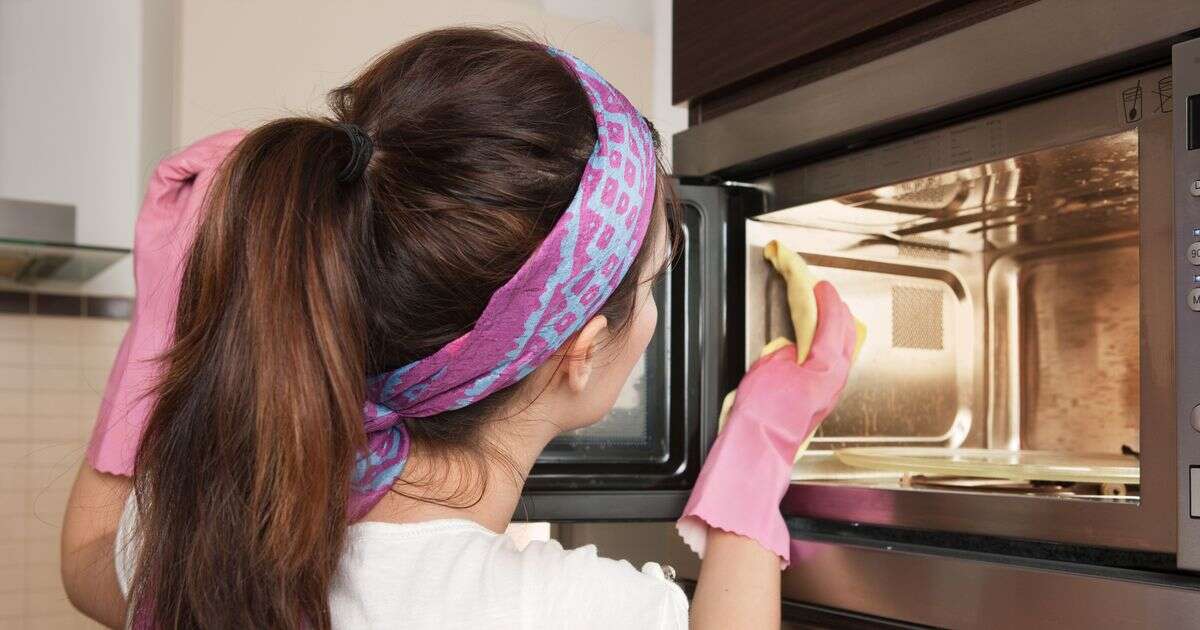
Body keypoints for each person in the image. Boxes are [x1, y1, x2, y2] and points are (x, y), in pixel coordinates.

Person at [60, 27, 857, 629]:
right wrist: (757, 455)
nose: (651, 316)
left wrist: (167, 311)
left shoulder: (208, 543)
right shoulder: (571, 613)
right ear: (578, 353)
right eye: (648, 288)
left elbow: (88, 559)